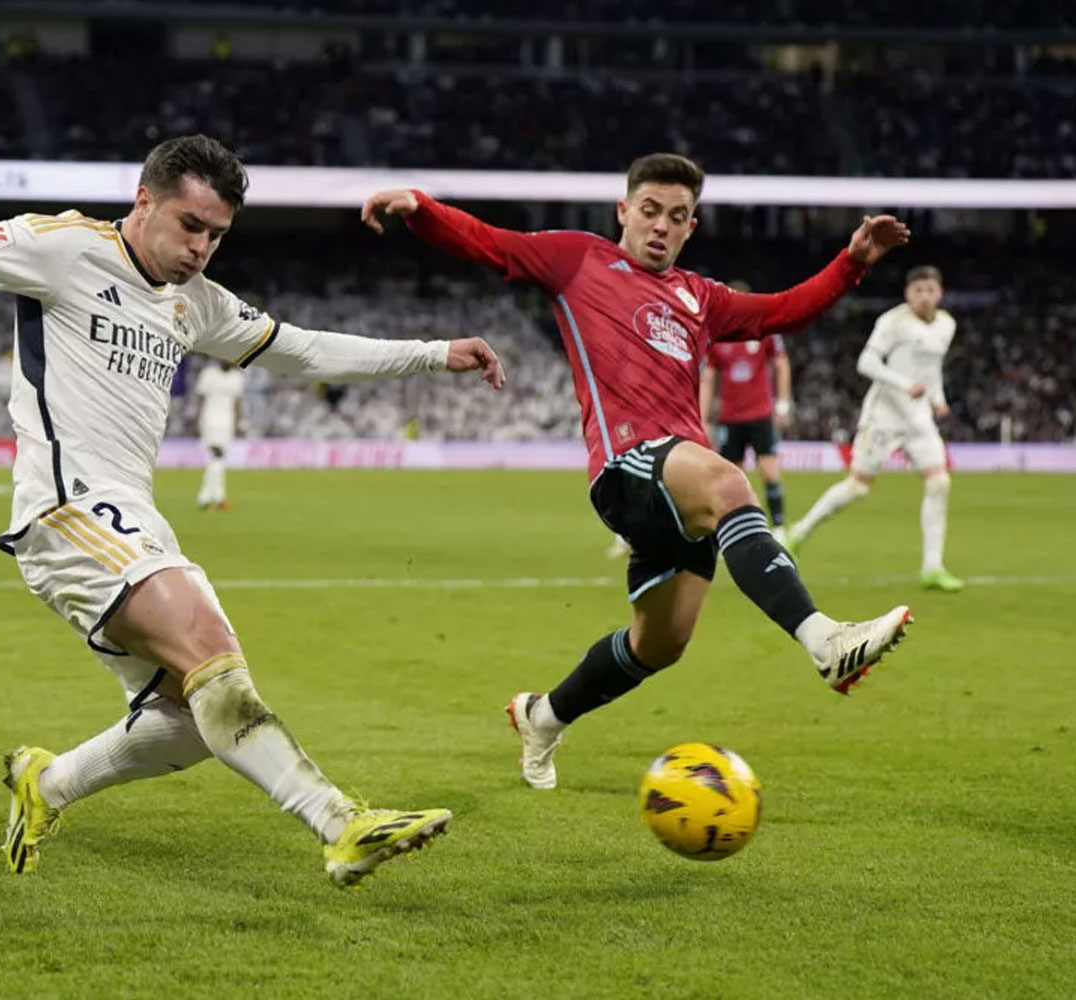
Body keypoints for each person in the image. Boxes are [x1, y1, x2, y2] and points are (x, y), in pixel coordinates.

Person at [0, 134, 505, 886]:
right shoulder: (63, 248)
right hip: (64, 511)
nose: (200, 248)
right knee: (210, 650)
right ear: (144, 200)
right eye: (190, 225)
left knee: (193, 718)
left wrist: (433, 355)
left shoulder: (195, 300)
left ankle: (45, 784)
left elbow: (302, 348)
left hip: (134, 519)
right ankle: (340, 823)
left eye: (217, 235)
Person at [362, 152, 914, 791]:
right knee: (732, 483)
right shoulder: (579, 259)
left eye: (676, 217)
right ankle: (825, 641)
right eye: (649, 211)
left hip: (677, 485)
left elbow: (781, 311)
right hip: (627, 467)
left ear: (691, 228)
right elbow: (491, 244)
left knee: (660, 645)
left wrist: (854, 262)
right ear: (624, 211)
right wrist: (420, 209)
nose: (660, 226)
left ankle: (542, 716)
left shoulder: (699, 297)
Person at [786, 266, 962, 591]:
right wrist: (903, 383)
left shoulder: (946, 324)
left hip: (918, 418)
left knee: (939, 482)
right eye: (918, 290)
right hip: (883, 416)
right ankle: (799, 533)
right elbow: (866, 363)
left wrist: (937, 398)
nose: (924, 296)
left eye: (930, 290)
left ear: (940, 293)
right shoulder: (893, 322)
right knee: (858, 487)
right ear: (908, 294)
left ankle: (932, 568)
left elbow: (931, 368)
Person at [699, 281, 794, 539]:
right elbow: (708, 379)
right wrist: (703, 417)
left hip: (761, 413)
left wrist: (783, 403)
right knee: (731, 480)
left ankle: (779, 528)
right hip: (730, 418)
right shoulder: (717, 336)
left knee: (770, 470)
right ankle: (734, 533)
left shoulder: (763, 331)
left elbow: (781, 364)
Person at [193, 359, 245, 509]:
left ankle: (209, 497)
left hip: (227, 421)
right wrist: (197, 420)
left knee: (217, 459)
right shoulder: (208, 374)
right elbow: (201, 399)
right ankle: (215, 497)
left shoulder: (236, 377)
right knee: (217, 455)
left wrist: (239, 422)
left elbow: (237, 402)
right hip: (209, 418)